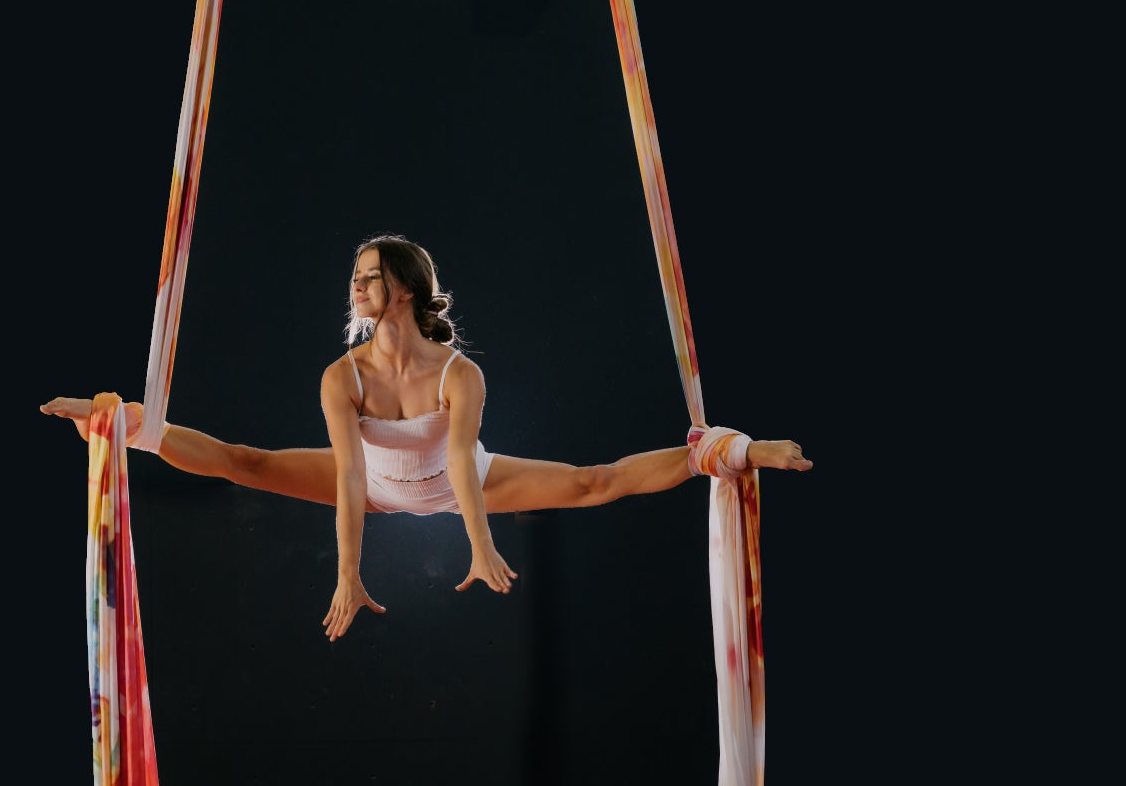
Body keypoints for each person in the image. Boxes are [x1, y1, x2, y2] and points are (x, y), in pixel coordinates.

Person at [42, 233, 812, 641]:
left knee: (591, 482)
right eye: (355, 276)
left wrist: (479, 544)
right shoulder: (341, 377)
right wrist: (348, 573)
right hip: (375, 486)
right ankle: (126, 425)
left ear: (404, 289)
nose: (356, 286)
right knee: (246, 462)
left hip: (460, 479)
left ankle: (729, 450)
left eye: (369, 276)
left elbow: (458, 463)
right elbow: (350, 478)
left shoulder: (459, 374)